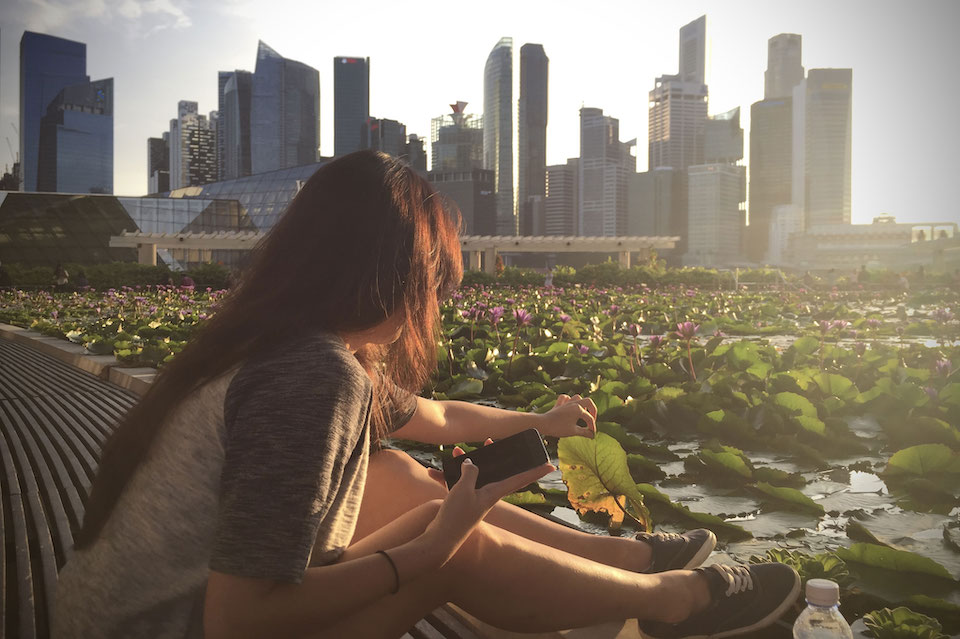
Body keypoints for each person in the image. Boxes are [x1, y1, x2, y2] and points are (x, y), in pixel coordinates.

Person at [53, 151, 798, 639]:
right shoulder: (311, 374)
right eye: (435, 279)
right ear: (388, 272)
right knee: (451, 543)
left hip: (111, 616)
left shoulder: (279, 340)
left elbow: (436, 417)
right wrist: (429, 550)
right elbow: (240, 620)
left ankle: (629, 565)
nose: (436, 299)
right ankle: (676, 602)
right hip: (189, 625)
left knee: (397, 475)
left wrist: (536, 419)